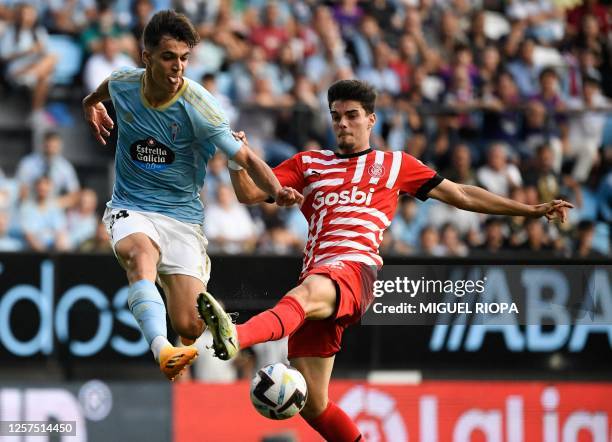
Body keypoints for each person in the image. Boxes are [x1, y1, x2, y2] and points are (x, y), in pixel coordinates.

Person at [198, 79, 572, 441]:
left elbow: (462, 195)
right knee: (313, 403)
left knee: (306, 293)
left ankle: (237, 336)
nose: (342, 123)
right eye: (336, 116)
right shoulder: (309, 163)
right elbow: (248, 194)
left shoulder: (395, 165)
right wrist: (236, 159)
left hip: (354, 270)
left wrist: (531, 210)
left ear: (371, 120)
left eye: (352, 115)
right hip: (320, 272)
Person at [82, 10, 300, 382]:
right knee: (140, 255)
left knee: (191, 325)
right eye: (169, 57)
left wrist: (276, 191)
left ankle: (187, 323)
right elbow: (100, 91)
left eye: (184, 58)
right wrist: (91, 105)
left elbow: (245, 156)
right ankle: (162, 349)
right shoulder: (123, 83)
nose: (178, 67)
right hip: (131, 207)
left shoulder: (200, 105)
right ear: (146, 57)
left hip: (183, 219)